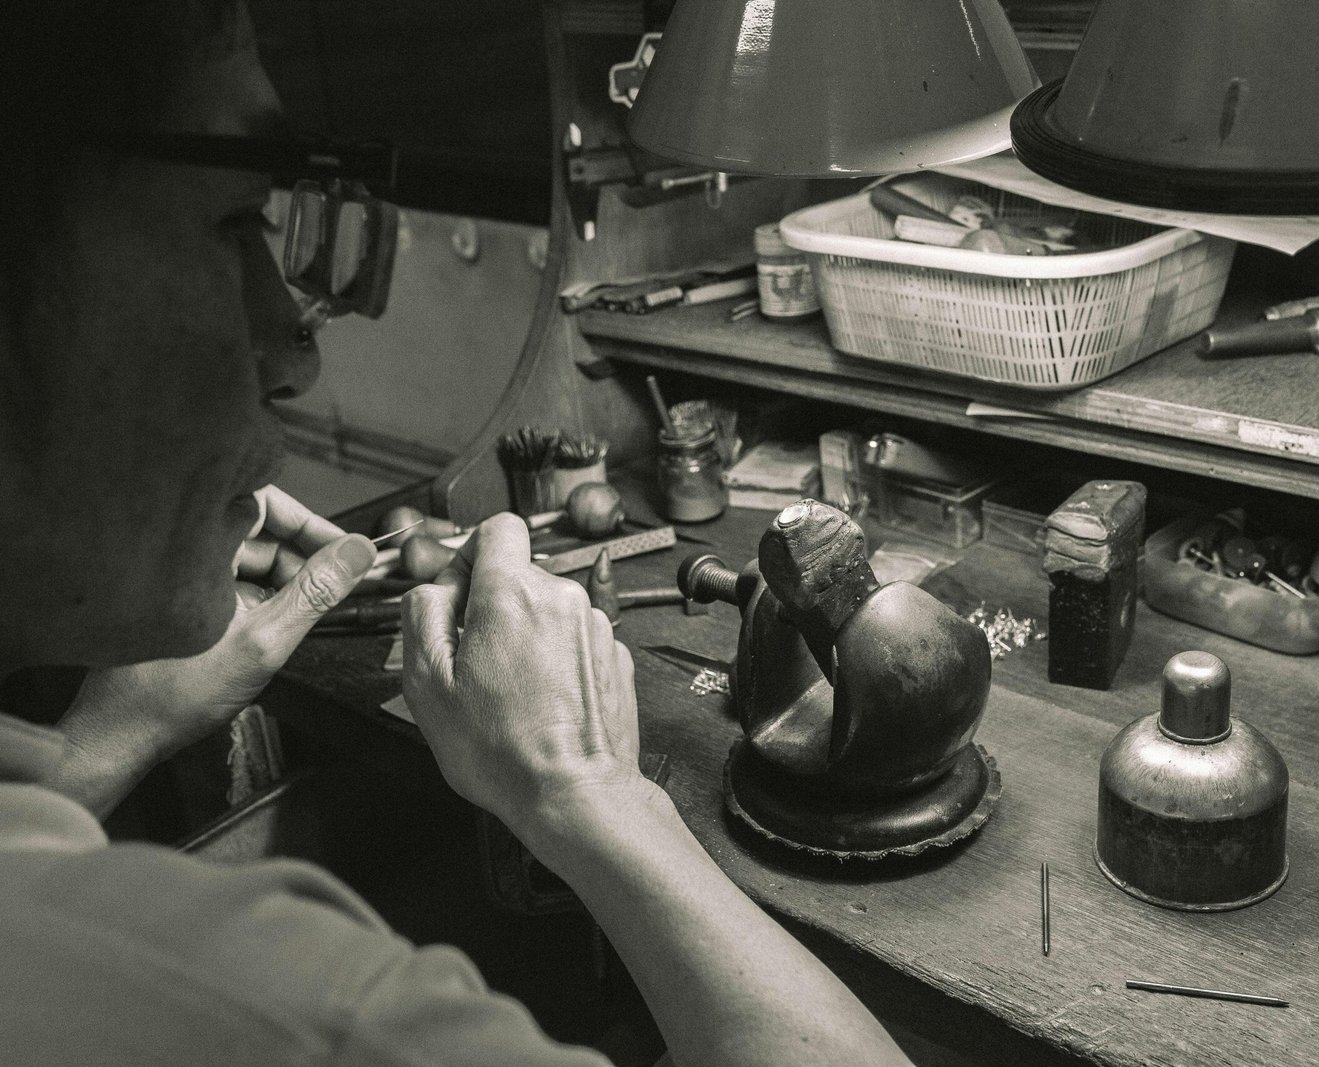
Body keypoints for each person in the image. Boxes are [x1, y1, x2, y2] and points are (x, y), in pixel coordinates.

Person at [0, 3, 914, 1065]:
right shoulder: (290, 1011)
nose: (293, 353)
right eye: (233, 217)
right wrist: (592, 792)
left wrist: (97, 744)